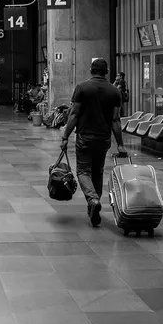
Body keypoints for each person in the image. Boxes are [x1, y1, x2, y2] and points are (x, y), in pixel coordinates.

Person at [60, 58, 127, 227]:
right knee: (98, 171)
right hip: (103, 138)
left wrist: (65, 136)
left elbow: (74, 114)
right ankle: (94, 205)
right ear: (107, 71)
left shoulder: (82, 88)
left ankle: (93, 200)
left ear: (91, 69)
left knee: (83, 171)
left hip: (85, 137)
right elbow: (115, 120)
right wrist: (120, 144)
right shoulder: (114, 91)